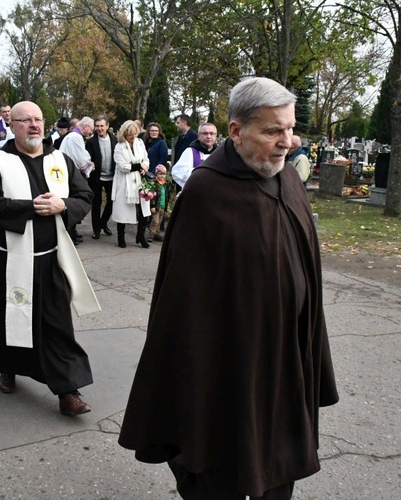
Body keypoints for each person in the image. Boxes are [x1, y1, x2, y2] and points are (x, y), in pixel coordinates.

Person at [118, 77, 339, 500]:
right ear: (236, 131)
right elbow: (183, 305)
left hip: (286, 357)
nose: (286, 141)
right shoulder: (206, 191)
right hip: (228, 367)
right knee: (222, 467)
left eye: (290, 129)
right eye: (273, 130)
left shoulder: (289, 179)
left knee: (278, 466)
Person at [0, 100, 99, 416]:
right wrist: (29, 208)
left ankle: (68, 391)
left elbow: (84, 196)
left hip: (51, 257)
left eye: (38, 119)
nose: (34, 125)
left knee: (57, 324)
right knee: (12, 318)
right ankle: (8, 366)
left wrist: (62, 206)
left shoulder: (59, 159)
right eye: (25, 120)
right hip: (11, 259)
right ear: (11, 125)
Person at [112, 120, 150, 249]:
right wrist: (139, 165)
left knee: (144, 209)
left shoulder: (140, 143)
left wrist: (144, 166)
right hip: (124, 182)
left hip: (140, 179)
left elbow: (146, 158)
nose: (132, 137)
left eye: (134, 134)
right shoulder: (119, 146)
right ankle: (121, 237)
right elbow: (123, 166)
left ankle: (141, 236)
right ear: (124, 134)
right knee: (123, 210)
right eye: (130, 135)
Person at [60, 117, 95, 245]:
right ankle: (70, 235)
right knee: (73, 204)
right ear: (85, 126)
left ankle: (73, 233)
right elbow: (81, 157)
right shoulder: (75, 137)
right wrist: (90, 164)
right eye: (91, 129)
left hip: (68, 172)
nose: (91, 132)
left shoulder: (72, 136)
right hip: (72, 174)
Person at [85, 115, 116, 239]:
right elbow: (87, 158)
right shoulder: (91, 142)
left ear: (107, 126)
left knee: (112, 202)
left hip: (112, 176)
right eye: (97, 126)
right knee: (96, 204)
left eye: (102, 126)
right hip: (96, 177)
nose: (99, 128)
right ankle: (96, 229)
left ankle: (103, 223)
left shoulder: (115, 140)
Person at [171, 122, 218, 188]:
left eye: (212, 133)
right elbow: (177, 172)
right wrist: (200, 173)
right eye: (205, 133)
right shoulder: (190, 152)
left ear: (216, 136)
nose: (209, 136)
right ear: (198, 136)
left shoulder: (220, 153)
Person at [147, 165, 168, 242]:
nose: (162, 176)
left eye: (163, 174)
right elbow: (152, 196)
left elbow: (166, 195)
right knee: (155, 221)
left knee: (159, 221)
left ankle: (156, 234)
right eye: (160, 174)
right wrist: (152, 206)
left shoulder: (165, 184)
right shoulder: (155, 183)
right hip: (156, 206)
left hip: (162, 206)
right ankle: (151, 235)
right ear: (156, 174)